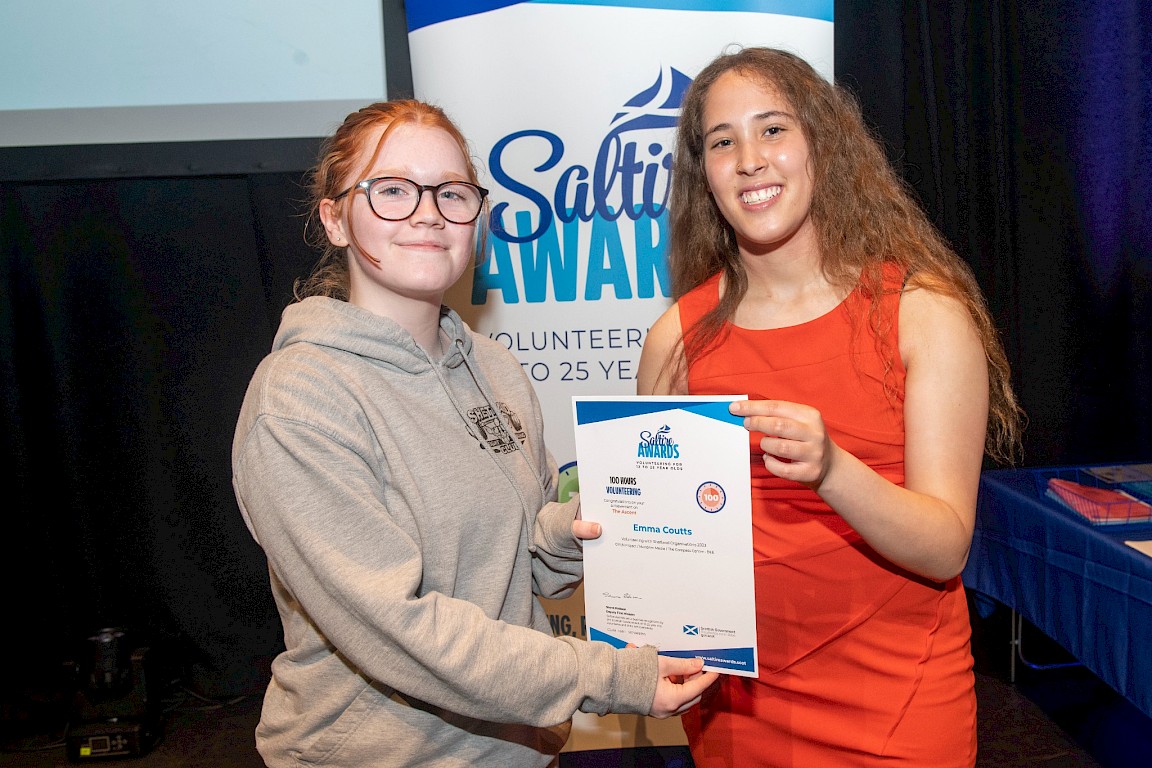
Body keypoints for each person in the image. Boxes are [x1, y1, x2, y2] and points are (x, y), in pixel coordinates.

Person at [231, 99, 716, 768]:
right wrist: (611, 677)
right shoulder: (298, 399)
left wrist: (588, 527)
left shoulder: (495, 370)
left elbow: (524, 569)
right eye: (392, 189)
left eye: (452, 193)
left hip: (518, 751)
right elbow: (400, 630)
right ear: (335, 218)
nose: (428, 213)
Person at [637, 48, 1023, 767]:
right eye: (722, 142)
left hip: (897, 705)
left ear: (823, 142)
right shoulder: (676, 341)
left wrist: (832, 470)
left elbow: (946, 546)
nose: (749, 159)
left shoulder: (922, 313)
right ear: (704, 175)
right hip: (738, 709)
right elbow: (668, 547)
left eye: (773, 129)